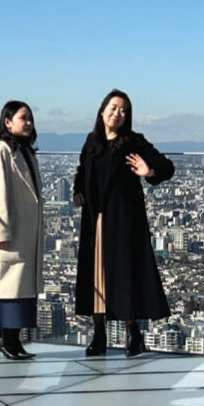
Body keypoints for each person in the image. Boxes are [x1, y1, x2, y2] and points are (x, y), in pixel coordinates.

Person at [73, 89, 175, 356]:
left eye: (123, 110)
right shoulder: (91, 142)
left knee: (124, 274)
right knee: (96, 276)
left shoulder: (134, 142)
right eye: (114, 107)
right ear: (102, 109)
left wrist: (149, 172)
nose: (117, 113)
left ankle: (133, 333)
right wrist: (77, 191)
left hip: (124, 220)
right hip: (95, 218)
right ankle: (99, 334)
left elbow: (167, 166)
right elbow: (82, 171)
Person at [0, 100, 44, 360]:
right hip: (11, 234)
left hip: (24, 233)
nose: (28, 122)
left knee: (19, 290)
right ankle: (6, 341)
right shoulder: (1, 153)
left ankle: (13, 341)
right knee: (8, 289)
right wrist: (0, 234)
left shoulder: (26, 153)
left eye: (30, 118)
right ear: (7, 122)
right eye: (22, 118)